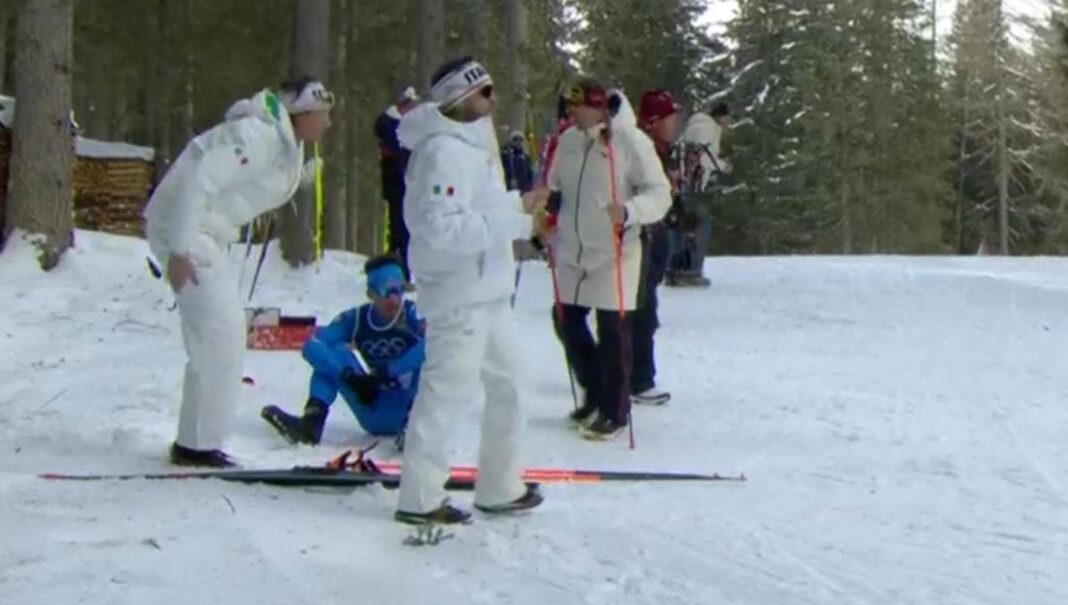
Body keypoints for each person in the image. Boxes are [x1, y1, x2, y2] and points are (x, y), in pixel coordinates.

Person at [143, 77, 334, 467]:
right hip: (188, 232)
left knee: (213, 338)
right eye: (323, 115)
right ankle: (199, 445)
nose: (328, 124)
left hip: (203, 234)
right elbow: (200, 181)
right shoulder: (258, 136)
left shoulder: (281, 142)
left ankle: (196, 441)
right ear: (303, 113)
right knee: (222, 335)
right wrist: (179, 250)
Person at [393, 56, 548, 525]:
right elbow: (440, 228)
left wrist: (520, 209)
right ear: (460, 98)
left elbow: (479, 209)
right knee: (445, 395)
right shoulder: (443, 151)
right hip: (460, 295)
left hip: (488, 290)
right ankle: (419, 498)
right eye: (484, 92)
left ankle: (500, 486)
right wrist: (515, 217)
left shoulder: (471, 145)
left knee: (514, 384)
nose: (493, 99)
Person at [542, 77, 672, 440]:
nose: (572, 112)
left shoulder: (631, 142)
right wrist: (548, 209)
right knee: (565, 318)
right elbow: (556, 186)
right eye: (569, 106)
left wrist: (630, 210)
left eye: (579, 105)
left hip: (617, 249)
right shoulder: (567, 141)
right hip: (572, 248)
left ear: (600, 107)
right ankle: (594, 388)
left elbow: (661, 193)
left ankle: (615, 409)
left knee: (614, 330)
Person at [260, 255, 425, 449]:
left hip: (411, 408)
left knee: (431, 360)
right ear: (371, 293)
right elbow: (311, 345)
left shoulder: (414, 314)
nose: (394, 300)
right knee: (334, 352)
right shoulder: (355, 319)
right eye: (386, 292)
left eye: (398, 290)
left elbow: (434, 347)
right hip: (372, 405)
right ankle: (312, 422)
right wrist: (349, 378)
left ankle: (415, 431)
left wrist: (386, 373)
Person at [631, 89, 683, 406]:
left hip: (656, 236)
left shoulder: (663, 150)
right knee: (640, 309)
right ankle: (638, 377)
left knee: (645, 305)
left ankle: (636, 374)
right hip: (643, 237)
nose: (674, 123)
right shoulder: (643, 149)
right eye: (669, 117)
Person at [667, 102, 731, 287]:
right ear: (721, 116)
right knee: (698, 225)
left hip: (680, 184)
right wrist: (723, 166)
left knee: (681, 226)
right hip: (693, 185)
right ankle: (690, 270)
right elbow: (700, 156)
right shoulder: (707, 128)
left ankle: (674, 269)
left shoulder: (694, 125)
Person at [374, 86, 419, 279]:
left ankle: (399, 270)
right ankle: (402, 272)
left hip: (402, 184)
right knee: (400, 229)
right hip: (398, 184)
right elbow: (400, 152)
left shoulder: (396, 125)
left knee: (400, 229)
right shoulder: (393, 126)